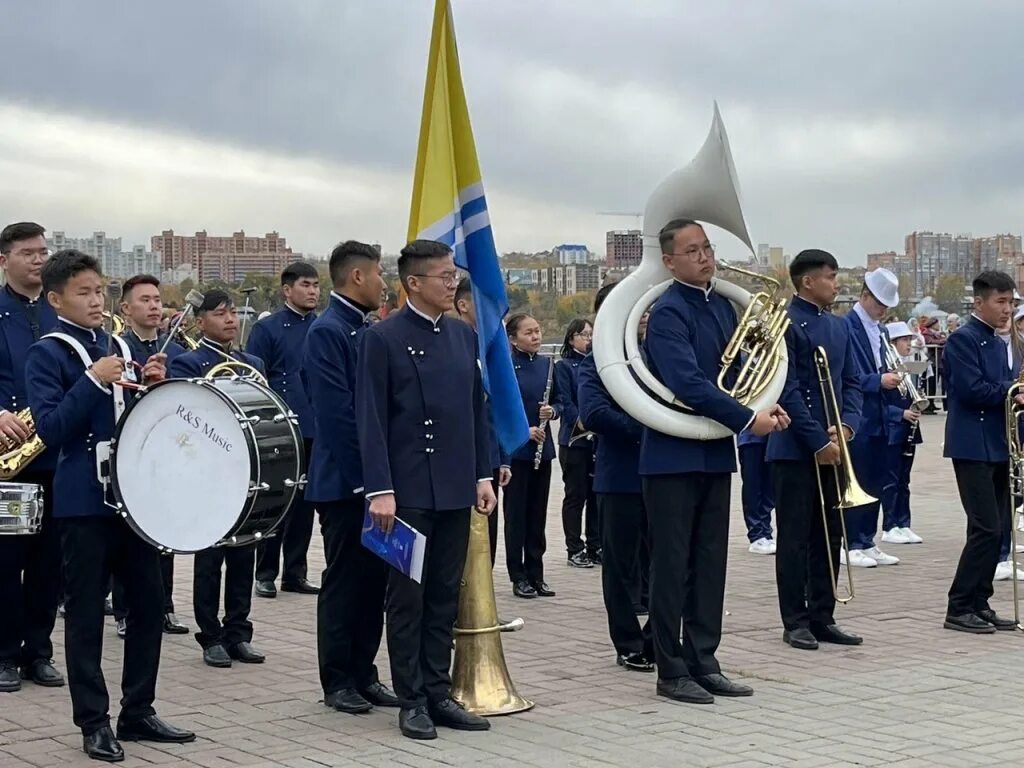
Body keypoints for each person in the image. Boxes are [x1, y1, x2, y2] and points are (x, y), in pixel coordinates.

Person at [26, 249, 194, 761]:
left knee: (147, 606)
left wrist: (152, 387)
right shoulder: (47, 354)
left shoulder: (118, 344)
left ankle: (138, 710)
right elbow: (52, 430)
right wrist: (94, 379)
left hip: (134, 499)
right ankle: (93, 721)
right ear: (56, 299)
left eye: (99, 291)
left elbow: (133, 421)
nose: (97, 301)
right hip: (82, 505)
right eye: (84, 292)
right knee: (84, 615)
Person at [641, 219, 786, 704]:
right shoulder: (667, 313)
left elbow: (741, 368)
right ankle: (670, 669)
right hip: (670, 455)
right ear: (669, 261)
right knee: (671, 564)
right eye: (693, 250)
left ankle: (704, 659)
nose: (706, 257)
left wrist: (764, 401)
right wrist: (748, 418)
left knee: (709, 563)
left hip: (713, 453)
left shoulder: (723, 305)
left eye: (707, 248)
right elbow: (688, 382)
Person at [356, 239, 495, 740]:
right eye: (442, 276)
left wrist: (483, 473)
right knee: (408, 599)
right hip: (407, 490)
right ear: (413, 283)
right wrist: (380, 489)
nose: (452, 282)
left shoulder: (462, 336)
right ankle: (411, 698)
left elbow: (475, 411)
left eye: (453, 274)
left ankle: (439, 692)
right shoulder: (383, 338)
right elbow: (369, 418)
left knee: (443, 596)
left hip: (456, 486)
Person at [302, 241, 398, 714]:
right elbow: (337, 416)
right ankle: (337, 679)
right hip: (347, 484)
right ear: (357, 277)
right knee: (344, 580)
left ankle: (365, 673)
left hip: (378, 482)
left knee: (374, 582)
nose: (385, 281)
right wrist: (369, 482)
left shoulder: (368, 328)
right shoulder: (328, 331)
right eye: (379, 272)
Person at [766, 249, 864, 652]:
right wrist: (817, 441)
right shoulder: (785, 323)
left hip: (834, 446)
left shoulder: (840, 327)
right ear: (808, 281)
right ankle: (795, 620)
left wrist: (845, 428)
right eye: (830, 276)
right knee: (795, 536)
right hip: (794, 447)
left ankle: (824, 614)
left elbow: (853, 382)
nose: (836, 283)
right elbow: (785, 390)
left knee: (832, 534)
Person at [168, 291, 267, 667]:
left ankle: (239, 631)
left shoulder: (251, 362)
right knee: (210, 559)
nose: (229, 319)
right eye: (220, 313)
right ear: (201, 320)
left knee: (244, 553)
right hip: (207, 472)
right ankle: (210, 635)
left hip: (245, 470)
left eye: (232, 313)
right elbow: (185, 415)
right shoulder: (187, 362)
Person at [0, 222, 63, 694]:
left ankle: (38, 652)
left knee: (49, 561)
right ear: (5, 260)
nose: (39, 260)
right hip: (8, 457)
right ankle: (4, 653)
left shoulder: (59, 310)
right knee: (7, 559)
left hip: (55, 456)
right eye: (28, 252)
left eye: (44, 251)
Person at [577, 283, 653, 672]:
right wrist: (651, 426)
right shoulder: (596, 361)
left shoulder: (657, 354)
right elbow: (593, 413)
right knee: (621, 568)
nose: (641, 312)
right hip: (619, 476)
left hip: (662, 474)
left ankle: (658, 638)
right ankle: (628, 643)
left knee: (666, 563)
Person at [108, 274, 189, 638]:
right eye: (145, 300)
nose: (154, 306)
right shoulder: (116, 349)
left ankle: (164, 606)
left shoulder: (176, 350)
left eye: (157, 299)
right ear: (126, 308)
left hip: (165, 452)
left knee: (164, 531)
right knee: (131, 535)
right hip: (129, 452)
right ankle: (125, 609)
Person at [943, 271, 1021, 632]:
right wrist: (1014, 390)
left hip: (1001, 444)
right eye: (1000, 302)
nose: (1007, 310)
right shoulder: (963, 339)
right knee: (985, 527)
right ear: (979, 302)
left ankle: (980, 601)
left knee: (1001, 527)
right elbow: (972, 389)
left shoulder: (1008, 340)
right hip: (972, 445)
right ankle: (959, 606)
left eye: (1011, 302)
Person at [247, 261, 322, 598]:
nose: (313, 292)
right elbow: (255, 378)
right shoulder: (268, 329)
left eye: (317, 285)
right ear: (287, 290)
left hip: (316, 426)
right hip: (280, 427)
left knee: (305, 504)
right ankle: (265, 572)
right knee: (277, 501)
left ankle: (296, 572)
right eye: (305, 285)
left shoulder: (322, 328)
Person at [842, 269, 902, 568]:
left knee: (877, 479)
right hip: (858, 416)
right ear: (864, 296)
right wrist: (877, 381)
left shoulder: (881, 331)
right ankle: (851, 541)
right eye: (879, 304)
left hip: (880, 415)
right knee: (858, 479)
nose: (883, 311)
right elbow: (846, 376)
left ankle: (867, 539)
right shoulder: (846, 326)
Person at [454, 278, 511, 567]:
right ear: (462, 305)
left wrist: (503, 458)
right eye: (482, 303)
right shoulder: (453, 343)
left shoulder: (491, 346)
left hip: (487, 454)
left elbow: (495, 411)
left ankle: (481, 601)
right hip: (458, 457)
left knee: (487, 530)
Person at [504, 313, 557, 599]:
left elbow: (561, 401)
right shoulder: (506, 367)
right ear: (513, 338)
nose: (536, 336)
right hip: (517, 452)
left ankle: (537, 573)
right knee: (517, 516)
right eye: (528, 332)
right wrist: (526, 429)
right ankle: (518, 575)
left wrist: (553, 412)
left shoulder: (549, 366)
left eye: (537, 331)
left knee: (537, 516)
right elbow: (500, 410)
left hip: (542, 451)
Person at [553, 318, 600, 568]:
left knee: (595, 495)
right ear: (572, 338)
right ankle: (574, 548)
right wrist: (581, 422)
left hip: (597, 440)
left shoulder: (597, 363)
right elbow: (564, 399)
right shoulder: (564, 366)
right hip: (574, 440)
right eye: (584, 335)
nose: (588, 339)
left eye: (591, 334)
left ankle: (595, 544)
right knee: (575, 495)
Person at [879, 322, 924, 546]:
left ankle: (903, 523)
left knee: (904, 481)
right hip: (892, 430)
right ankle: (889, 525)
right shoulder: (884, 369)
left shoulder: (907, 368)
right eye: (904, 340)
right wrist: (901, 413)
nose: (909, 344)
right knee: (891, 480)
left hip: (908, 430)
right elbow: (877, 405)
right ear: (893, 343)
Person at [738, 431, 775, 555]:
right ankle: (756, 535)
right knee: (753, 485)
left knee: (769, 488)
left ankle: (766, 532)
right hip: (751, 437)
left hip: (773, 437)